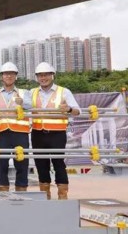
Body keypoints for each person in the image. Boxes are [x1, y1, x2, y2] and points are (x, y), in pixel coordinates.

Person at [30, 62, 80, 200]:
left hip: (57, 134)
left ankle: (62, 197)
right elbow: (23, 108)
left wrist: (69, 109)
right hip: (38, 133)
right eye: (40, 75)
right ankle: (45, 197)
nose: (43, 78)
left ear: (52, 75)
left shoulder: (64, 91)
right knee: (41, 164)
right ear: (37, 77)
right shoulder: (32, 92)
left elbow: (78, 111)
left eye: (46, 75)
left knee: (58, 163)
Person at [0, 62, 32, 192]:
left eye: (12, 74)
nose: (9, 76)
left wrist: (22, 103)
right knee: (1, 164)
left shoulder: (24, 92)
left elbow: (30, 106)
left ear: (16, 76)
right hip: (1, 133)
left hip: (20, 133)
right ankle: (3, 195)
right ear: (2, 76)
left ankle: (21, 193)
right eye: (6, 74)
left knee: (21, 163)